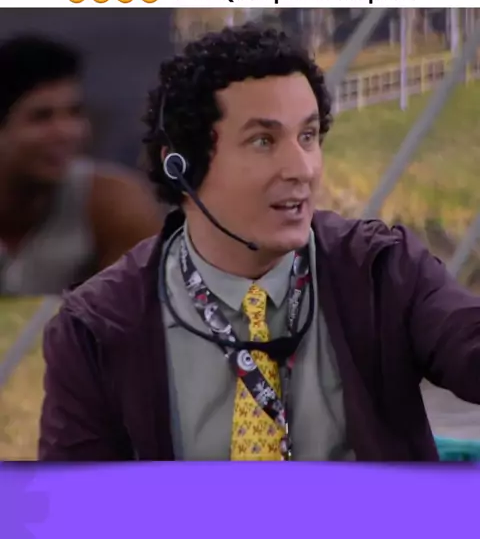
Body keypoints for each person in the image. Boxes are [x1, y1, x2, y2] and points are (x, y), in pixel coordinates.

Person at [38, 23, 480, 461]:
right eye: (263, 141)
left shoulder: (381, 270)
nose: (301, 169)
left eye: (308, 136)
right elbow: (74, 497)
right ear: (181, 166)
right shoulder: (94, 329)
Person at [0, 35, 165, 296]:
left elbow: (140, 313)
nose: (67, 132)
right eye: (41, 117)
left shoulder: (113, 205)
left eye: (75, 113)